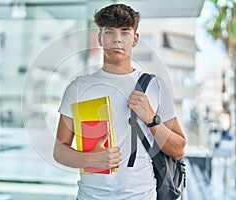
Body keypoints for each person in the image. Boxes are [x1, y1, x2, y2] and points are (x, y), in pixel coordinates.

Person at [53, 3, 186, 200]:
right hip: (91, 196)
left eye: (125, 32)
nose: (117, 39)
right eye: (109, 32)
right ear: (100, 38)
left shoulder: (156, 87)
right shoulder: (79, 87)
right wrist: (90, 159)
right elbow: (59, 150)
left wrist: (151, 118)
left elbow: (178, 150)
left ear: (135, 39)